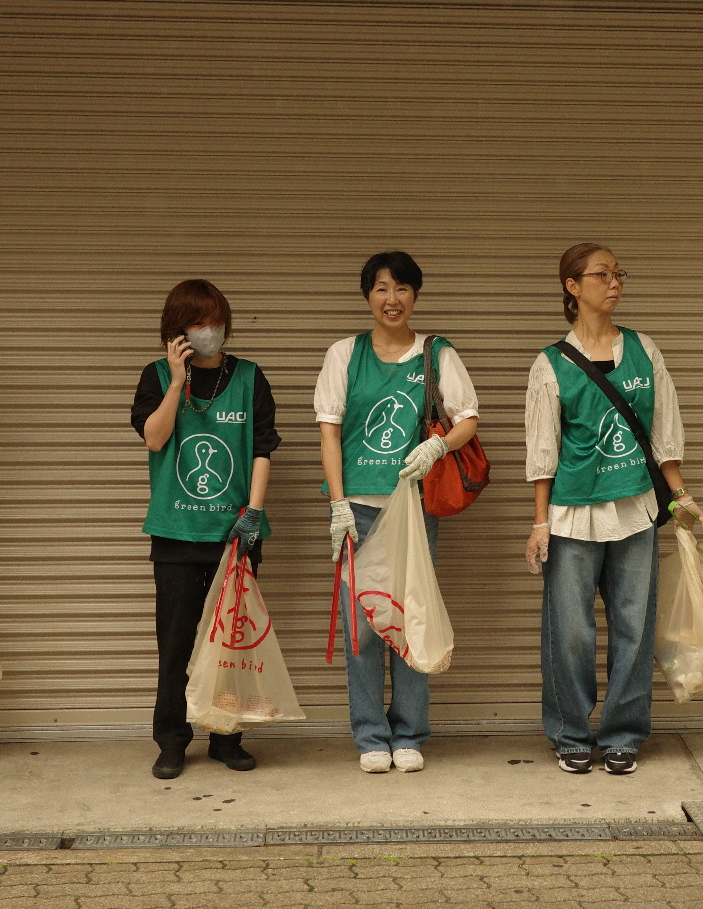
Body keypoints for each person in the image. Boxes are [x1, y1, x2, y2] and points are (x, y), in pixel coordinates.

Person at [525, 242, 703, 776]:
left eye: (619, 272)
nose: (614, 282)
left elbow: (663, 429)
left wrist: (680, 493)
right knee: (570, 629)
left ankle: (624, 733)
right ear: (572, 286)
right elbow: (542, 450)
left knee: (634, 624)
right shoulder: (550, 362)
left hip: (636, 509)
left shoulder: (645, 351)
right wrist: (539, 523)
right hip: (572, 515)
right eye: (601, 274)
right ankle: (570, 732)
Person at [315, 251, 480, 774]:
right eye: (382, 288)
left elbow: (468, 418)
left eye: (403, 289)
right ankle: (370, 736)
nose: (393, 299)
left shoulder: (436, 353)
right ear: (368, 296)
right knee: (361, 625)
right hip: (358, 509)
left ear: (416, 296)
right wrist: (338, 502)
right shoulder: (345, 354)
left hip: (412, 510)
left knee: (411, 617)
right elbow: (330, 432)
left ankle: (409, 733)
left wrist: (439, 447)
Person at [130, 278, 279, 779]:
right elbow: (154, 439)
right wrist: (176, 381)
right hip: (175, 535)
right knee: (175, 644)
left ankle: (226, 736)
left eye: (215, 320)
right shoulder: (155, 377)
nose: (209, 330)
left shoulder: (251, 377)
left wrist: (252, 513)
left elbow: (262, 447)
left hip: (235, 536)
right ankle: (172, 740)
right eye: (196, 322)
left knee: (231, 644)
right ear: (177, 332)